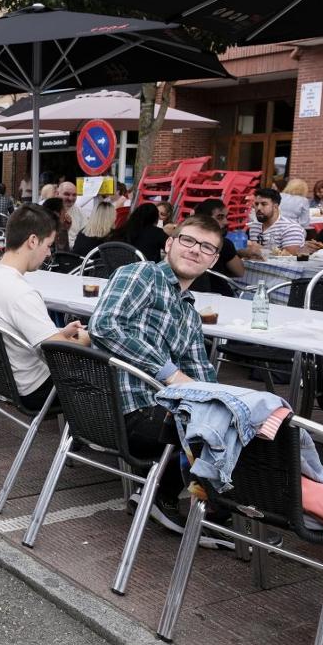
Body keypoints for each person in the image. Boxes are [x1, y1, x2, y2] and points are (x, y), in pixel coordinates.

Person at [88, 215, 223, 520]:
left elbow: (201, 373)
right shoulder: (142, 275)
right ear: (169, 244)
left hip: (157, 412)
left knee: (239, 425)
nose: (195, 250)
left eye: (206, 247)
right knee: (218, 434)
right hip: (123, 411)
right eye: (187, 240)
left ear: (213, 261)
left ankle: (162, 497)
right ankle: (209, 517)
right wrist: (170, 374)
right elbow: (105, 325)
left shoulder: (189, 313)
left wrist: (228, 402)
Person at [0, 204, 90, 410]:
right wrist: (84, 341)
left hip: (5, 382)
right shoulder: (21, 292)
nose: (49, 254)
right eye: (48, 245)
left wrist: (59, 333)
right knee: (110, 377)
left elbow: (13, 330)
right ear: (33, 241)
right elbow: (57, 353)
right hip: (36, 388)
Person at [188, 198, 245, 295]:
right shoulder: (222, 243)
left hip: (188, 294)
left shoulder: (185, 240)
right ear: (205, 218)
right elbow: (240, 272)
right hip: (220, 296)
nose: (226, 222)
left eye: (226, 217)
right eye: (220, 217)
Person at [240, 187, 307, 258]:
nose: (258, 208)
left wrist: (259, 249)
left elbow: (290, 258)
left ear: (275, 207)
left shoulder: (291, 228)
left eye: (264, 204)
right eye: (256, 204)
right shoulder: (254, 227)